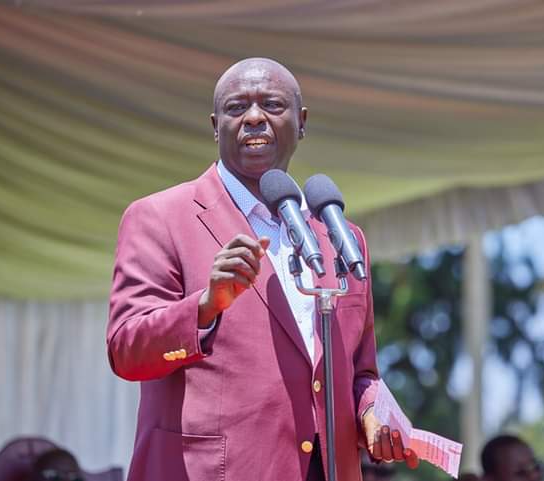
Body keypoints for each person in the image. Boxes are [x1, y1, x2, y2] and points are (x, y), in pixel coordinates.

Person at [108, 57, 418, 481]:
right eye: (237, 109)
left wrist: (372, 411)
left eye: (272, 105)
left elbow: (359, 374)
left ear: (302, 121)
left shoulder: (338, 236)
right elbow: (127, 350)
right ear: (216, 126)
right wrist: (203, 306)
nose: (254, 118)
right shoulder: (160, 217)